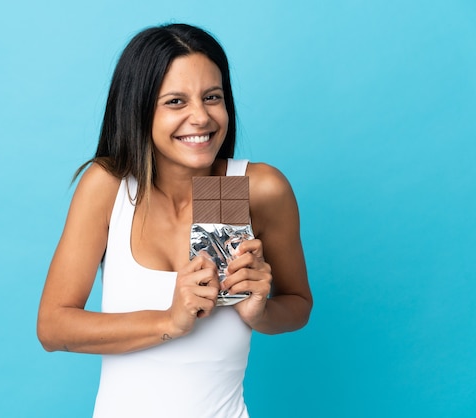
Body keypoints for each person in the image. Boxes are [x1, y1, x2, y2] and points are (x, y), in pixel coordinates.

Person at [37, 23, 312, 417]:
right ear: (139, 108)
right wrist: (169, 320)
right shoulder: (111, 186)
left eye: (212, 97)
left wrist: (260, 312)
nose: (200, 117)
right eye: (176, 102)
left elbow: (298, 305)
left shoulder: (246, 188)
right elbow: (53, 328)